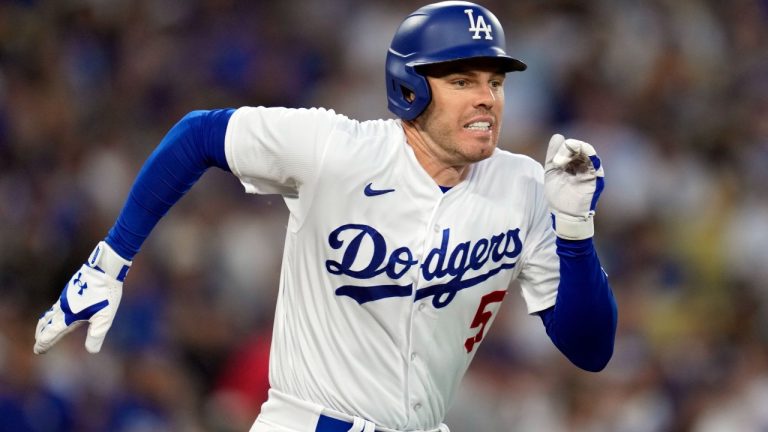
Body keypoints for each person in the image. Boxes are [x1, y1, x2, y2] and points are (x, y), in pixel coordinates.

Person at [34, 2, 618, 431]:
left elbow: (590, 350)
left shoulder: (523, 186)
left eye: (494, 81)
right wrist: (111, 258)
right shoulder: (337, 149)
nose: (487, 97)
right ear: (410, 89)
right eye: (462, 80)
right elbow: (198, 135)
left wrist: (575, 232)